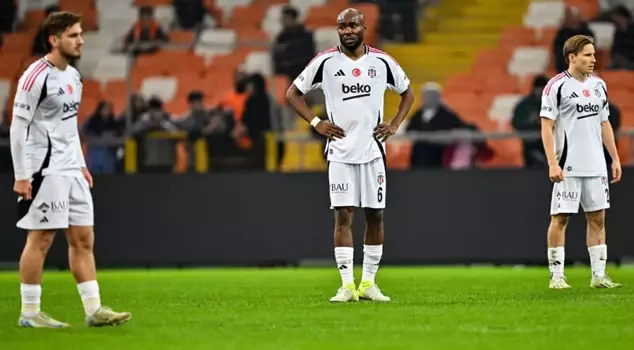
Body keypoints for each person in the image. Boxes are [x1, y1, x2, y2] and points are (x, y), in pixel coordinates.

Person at [9, 12, 131, 328]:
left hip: (72, 170)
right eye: (74, 35)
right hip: (45, 170)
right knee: (41, 239)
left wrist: (80, 163)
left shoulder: (73, 77)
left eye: (80, 34)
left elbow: (69, 125)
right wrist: (21, 174)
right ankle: (30, 313)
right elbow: (17, 128)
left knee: (83, 240)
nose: (81, 40)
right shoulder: (35, 76)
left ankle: (93, 311)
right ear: (54, 40)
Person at [286, 8, 414, 302]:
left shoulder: (382, 61)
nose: (347, 30)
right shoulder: (326, 62)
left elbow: (407, 92)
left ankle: (368, 283)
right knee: (343, 216)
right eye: (342, 26)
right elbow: (293, 93)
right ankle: (346, 285)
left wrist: (394, 124)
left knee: (375, 216)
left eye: (352, 25)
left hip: (373, 151)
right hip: (340, 152)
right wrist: (317, 123)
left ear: (364, 27)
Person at [540, 35, 622, 290]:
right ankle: (557, 277)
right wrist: (553, 163)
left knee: (597, 219)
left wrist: (615, 158)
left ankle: (599, 276)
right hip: (568, 165)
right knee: (560, 218)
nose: (593, 59)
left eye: (594, 55)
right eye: (587, 55)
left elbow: (604, 122)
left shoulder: (599, 85)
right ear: (571, 57)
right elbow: (546, 126)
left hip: (596, 164)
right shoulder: (556, 86)